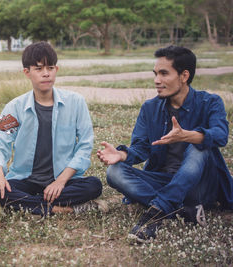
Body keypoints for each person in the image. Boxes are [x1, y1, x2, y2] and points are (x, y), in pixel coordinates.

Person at [97, 45, 233, 242]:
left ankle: (157, 212)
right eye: (155, 74)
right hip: (164, 179)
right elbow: (141, 148)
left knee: (199, 146)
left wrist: (188, 136)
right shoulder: (150, 108)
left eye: (163, 74)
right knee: (115, 172)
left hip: (200, 185)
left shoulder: (210, 102)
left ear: (184, 76)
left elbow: (221, 135)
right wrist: (122, 155)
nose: (156, 81)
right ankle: (182, 209)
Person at [0, 41, 103, 217]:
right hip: (26, 179)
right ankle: (58, 208)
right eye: (39, 69)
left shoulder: (76, 102)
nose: (46, 74)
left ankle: (31, 203)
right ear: (27, 72)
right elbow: (0, 145)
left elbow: (84, 146)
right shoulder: (14, 107)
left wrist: (60, 182)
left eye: (50, 68)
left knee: (94, 185)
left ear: (57, 69)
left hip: (64, 179)